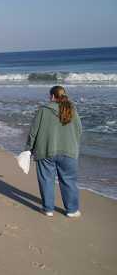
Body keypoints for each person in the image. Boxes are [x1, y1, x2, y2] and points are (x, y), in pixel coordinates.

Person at [26, 85, 82, 218]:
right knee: (69, 180)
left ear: (52, 96)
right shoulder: (72, 109)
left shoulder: (43, 110)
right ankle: (72, 210)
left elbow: (33, 132)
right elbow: (79, 130)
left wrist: (28, 149)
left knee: (46, 180)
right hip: (69, 151)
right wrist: (73, 144)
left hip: (46, 150)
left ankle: (48, 209)